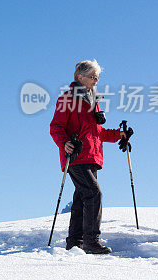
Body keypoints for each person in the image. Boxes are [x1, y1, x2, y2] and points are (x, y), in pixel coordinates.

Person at [49, 60, 130, 255]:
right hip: (76, 155)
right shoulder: (67, 99)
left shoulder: (94, 101)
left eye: (98, 77)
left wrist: (120, 135)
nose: (96, 80)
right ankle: (91, 241)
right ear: (80, 77)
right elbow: (55, 127)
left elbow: (97, 132)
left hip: (92, 155)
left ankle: (74, 242)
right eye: (93, 76)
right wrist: (65, 143)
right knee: (94, 194)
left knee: (81, 198)